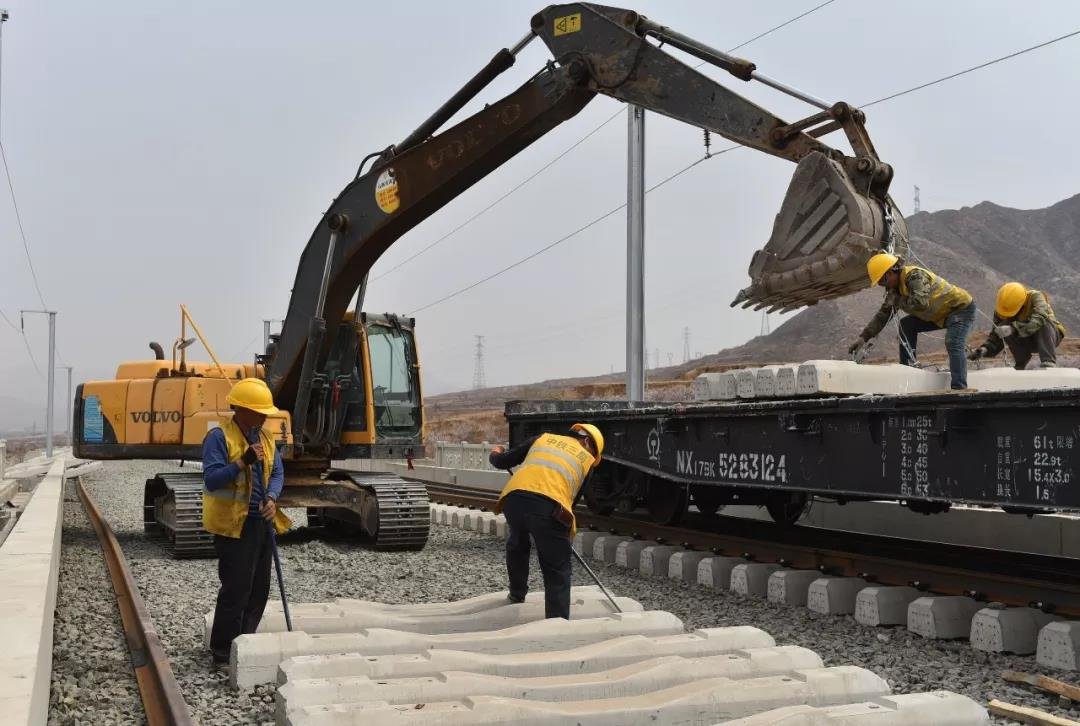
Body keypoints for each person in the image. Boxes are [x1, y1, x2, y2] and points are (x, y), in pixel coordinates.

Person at [203, 377, 291, 664]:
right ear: (242, 410)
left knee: (258, 589)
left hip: (261, 524)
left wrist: (273, 498)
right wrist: (242, 461)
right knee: (236, 588)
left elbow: (277, 472)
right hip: (233, 526)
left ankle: (245, 643)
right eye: (260, 411)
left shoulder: (265, 437)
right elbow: (212, 480)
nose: (265, 416)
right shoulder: (219, 438)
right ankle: (222, 649)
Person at [488, 423, 604, 620]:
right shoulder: (586, 459)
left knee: (517, 544)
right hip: (549, 506)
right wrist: (561, 534)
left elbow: (502, 460)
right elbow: (570, 502)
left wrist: (495, 451)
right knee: (557, 566)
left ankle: (516, 594)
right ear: (587, 442)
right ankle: (556, 622)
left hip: (514, 499)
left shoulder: (543, 438)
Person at [848, 253, 976, 390]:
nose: (881, 285)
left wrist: (898, 301)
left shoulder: (915, 276)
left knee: (954, 342)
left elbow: (921, 303)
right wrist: (863, 337)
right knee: (906, 325)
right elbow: (883, 315)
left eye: (882, 281)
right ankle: (908, 371)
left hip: (959, 309)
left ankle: (959, 388)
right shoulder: (895, 290)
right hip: (939, 314)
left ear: (891, 272)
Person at [968, 282, 1065, 369]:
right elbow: (996, 335)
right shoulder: (1002, 308)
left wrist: (1013, 328)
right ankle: (1021, 364)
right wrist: (985, 350)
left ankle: (1048, 362)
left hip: (1049, 338)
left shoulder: (1036, 297)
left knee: (1043, 321)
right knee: (1003, 327)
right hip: (1026, 340)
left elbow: (1039, 318)